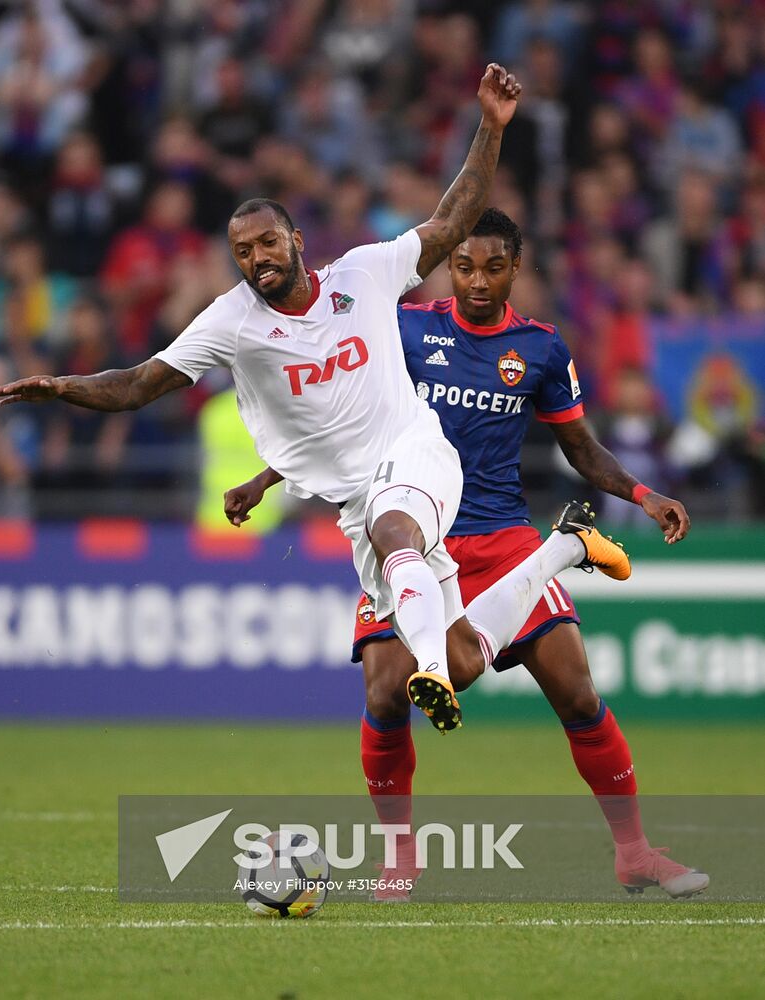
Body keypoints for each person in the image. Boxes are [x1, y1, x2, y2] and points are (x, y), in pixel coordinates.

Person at [0, 64, 628, 740]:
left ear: (295, 241)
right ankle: (563, 551)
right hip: (357, 499)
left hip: (418, 456)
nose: (257, 258)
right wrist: (63, 387)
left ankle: (431, 672)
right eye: (243, 251)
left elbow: (450, 221)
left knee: (397, 540)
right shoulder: (230, 320)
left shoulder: (364, 273)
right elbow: (140, 383)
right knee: (470, 655)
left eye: (267, 242)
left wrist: (489, 129)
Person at [224, 209, 707, 902]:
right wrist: (265, 479)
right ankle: (400, 860)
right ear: (448, 268)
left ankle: (633, 853)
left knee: (576, 691)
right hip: (411, 530)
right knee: (386, 693)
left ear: (516, 267)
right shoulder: (408, 328)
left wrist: (642, 492)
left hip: (502, 534)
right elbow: (338, 416)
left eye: (493, 267)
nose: (477, 281)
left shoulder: (539, 349)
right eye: (464, 266)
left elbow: (580, 448)